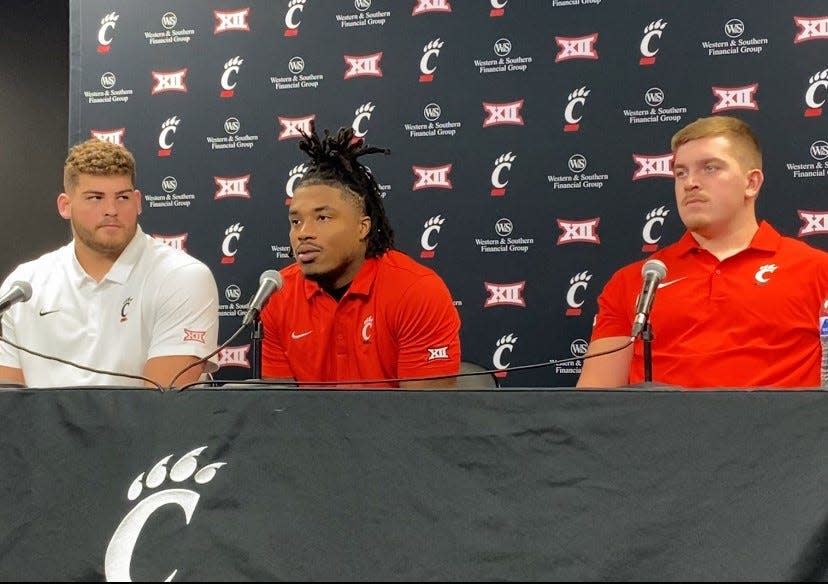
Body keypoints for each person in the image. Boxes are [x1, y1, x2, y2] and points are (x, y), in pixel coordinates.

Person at [577, 115, 828, 389]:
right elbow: (594, 404)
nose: (690, 183)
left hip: (779, 431)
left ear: (752, 183)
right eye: (681, 172)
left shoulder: (816, 270)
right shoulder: (633, 282)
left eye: (709, 168)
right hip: (661, 431)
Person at [0, 138, 219, 388]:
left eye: (122, 198)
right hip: (40, 428)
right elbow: (10, 409)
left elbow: (163, 410)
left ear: (137, 202)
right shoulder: (24, 285)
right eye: (95, 198)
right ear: (65, 206)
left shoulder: (183, 277)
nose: (111, 210)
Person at [261, 125, 461, 388]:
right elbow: (277, 416)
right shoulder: (278, 296)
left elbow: (427, 420)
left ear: (362, 227)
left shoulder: (416, 291)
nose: (303, 233)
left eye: (322, 217)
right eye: (296, 221)